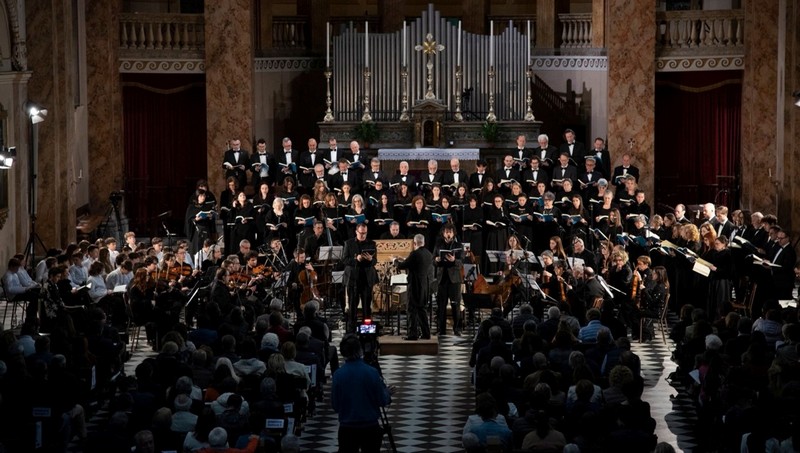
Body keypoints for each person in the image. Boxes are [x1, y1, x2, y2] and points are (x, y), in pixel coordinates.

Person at [331, 334, 394, 453]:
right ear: (360, 350)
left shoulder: (338, 375)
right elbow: (381, 400)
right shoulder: (371, 372)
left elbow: (335, 405)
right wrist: (387, 394)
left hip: (347, 428)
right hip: (369, 427)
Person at [394, 234, 433, 340]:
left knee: (411, 310)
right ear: (423, 242)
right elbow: (415, 263)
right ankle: (426, 334)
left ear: (414, 243)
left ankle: (413, 334)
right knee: (422, 310)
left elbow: (402, 266)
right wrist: (406, 259)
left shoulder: (415, 254)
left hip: (415, 286)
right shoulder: (428, 254)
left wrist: (395, 260)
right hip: (425, 286)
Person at [343, 223, 378, 332]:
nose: (363, 235)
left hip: (366, 279)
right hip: (353, 279)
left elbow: (375, 261)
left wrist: (370, 260)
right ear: (356, 232)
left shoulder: (372, 244)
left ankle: (366, 332)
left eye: (365, 233)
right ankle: (351, 331)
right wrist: (356, 260)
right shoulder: (348, 243)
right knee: (352, 306)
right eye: (361, 233)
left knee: (367, 307)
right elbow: (344, 260)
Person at [433, 224, 464, 336]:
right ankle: (442, 329)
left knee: (455, 305)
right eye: (446, 232)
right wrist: (436, 260)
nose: (448, 234)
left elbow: (461, 263)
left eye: (450, 232)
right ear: (443, 233)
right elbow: (433, 261)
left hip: (454, 280)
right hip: (442, 279)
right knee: (441, 305)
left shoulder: (458, 245)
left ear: (453, 233)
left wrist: (454, 260)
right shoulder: (438, 245)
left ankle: (457, 329)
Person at [3, 257, 42, 321]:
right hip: (14, 296)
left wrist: (25, 289)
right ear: (12, 266)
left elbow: (19, 285)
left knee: (36, 294)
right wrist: (24, 289)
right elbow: (10, 289)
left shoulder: (14, 274)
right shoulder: (8, 275)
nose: (18, 270)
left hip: (19, 292)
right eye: (16, 268)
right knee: (34, 296)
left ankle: (32, 315)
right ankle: (31, 317)